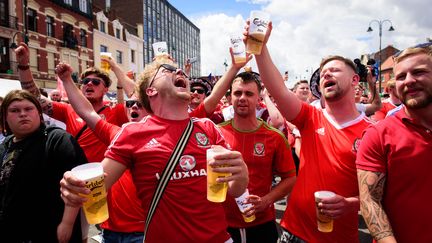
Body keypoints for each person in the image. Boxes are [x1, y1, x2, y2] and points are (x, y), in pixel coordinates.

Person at [59, 56, 249, 242]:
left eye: (180, 71)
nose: (179, 71)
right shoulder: (132, 133)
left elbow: (233, 190)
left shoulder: (207, 128)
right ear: (150, 90)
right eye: (168, 70)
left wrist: (242, 176)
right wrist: (73, 190)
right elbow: (92, 188)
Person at [250, 21, 372, 242]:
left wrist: (350, 204)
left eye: (334, 70)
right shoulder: (309, 116)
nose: (326, 75)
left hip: (339, 238)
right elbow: (276, 87)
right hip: (292, 231)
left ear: (355, 80)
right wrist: (261, 47)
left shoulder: (373, 132)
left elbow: (382, 194)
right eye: (323, 73)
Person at [14, 42, 132, 241]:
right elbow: (36, 98)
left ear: (105, 89)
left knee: (108, 232)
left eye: (95, 82)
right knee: (78, 235)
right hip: (73, 184)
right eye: (85, 81)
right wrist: (24, 65)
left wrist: (114, 66)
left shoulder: (118, 112)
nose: (88, 84)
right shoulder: (69, 110)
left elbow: (135, 96)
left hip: (105, 184)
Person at [56, 62, 148, 242]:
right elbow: (86, 112)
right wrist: (67, 79)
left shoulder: (164, 139)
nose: (134, 107)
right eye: (130, 104)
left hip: (144, 231)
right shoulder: (118, 134)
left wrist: (114, 66)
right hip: (110, 230)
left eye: (140, 104)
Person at [356, 45, 432, 243]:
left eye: (419, 72)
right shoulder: (378, 135)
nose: (409, 81)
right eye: (400, 77)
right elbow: (370, 201)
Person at [219, 72, 296, 243]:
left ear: (258, 98)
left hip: (261, 222)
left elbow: (290, 178)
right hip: (222, 223)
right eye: (237, 93)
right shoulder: (216, 132)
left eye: (249, 93)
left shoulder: (274, 137)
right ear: (230, 97)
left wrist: (266, 200)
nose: (242, 98)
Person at [0, 90, 86, 242]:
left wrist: (67, 223)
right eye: (14, 110)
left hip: (50, 232)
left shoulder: (57, 139)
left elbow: (78, 184)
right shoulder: (4, 146)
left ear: (39, 113)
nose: (22, 114)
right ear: (5, 117)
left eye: (28, 109)